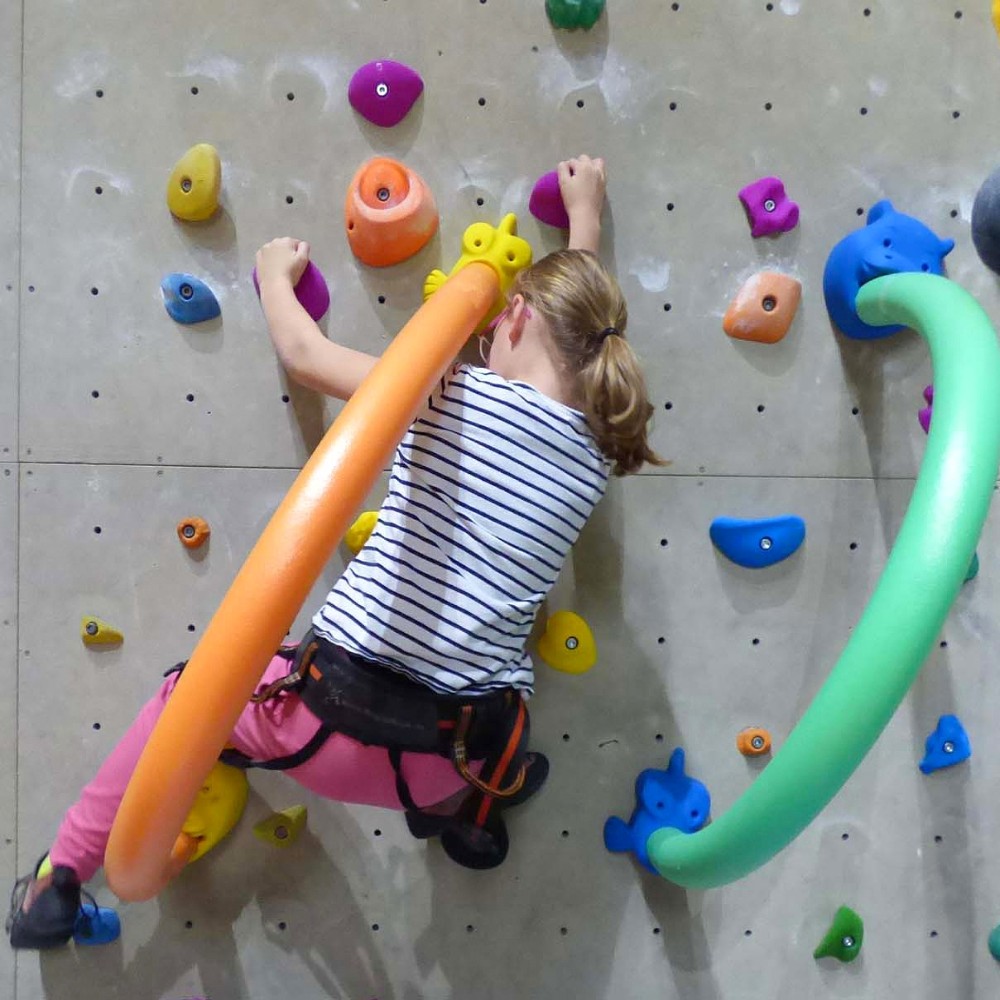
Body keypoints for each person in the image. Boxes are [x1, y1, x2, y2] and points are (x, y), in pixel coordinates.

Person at [7, 154, 663, 950]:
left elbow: (308, 359)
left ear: (514, 318)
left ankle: (62, 877)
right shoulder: (601, 450)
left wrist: (272, 273)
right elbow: (585, 318)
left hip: (318, 732)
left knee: (187, 699)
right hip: (449, 758)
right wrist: (586, 216)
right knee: (504, 682)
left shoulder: (451, 389)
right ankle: (473, 819)